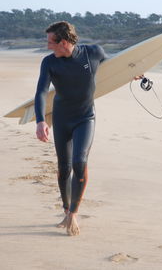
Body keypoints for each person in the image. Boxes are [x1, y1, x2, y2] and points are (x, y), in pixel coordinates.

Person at [34, 21, 107, 236]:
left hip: (85, 117)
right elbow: (40, 92)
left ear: (63, 42)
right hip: (62, 118)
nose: (47, 46)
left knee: (79, 162)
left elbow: (115, 69)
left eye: (50, 42)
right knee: (64, 168)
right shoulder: (49, 63)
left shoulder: (93, 53)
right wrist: (40, 121)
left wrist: (134, 72)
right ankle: (65, 209)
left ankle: (73, 214)